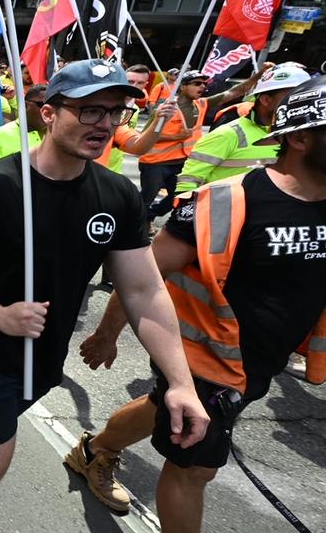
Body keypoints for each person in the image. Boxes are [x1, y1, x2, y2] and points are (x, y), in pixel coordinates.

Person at [0, 59, 209, 533]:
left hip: (45, 354)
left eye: (115, 112)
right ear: (49, 113)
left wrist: (180, 382)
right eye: (89, 111)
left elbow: (144, 288)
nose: (105, 124)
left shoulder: (117, 196)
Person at [69, 75, 326, 532]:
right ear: (302, 137)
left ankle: (94, 451)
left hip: (260, 363)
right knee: (195, 469)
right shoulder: (229, 201)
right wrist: (107, 335)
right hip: (206, 360)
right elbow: (144, 277)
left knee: (160, 406)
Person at [137, 67, 264, 221]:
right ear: (183, 87)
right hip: (155, 163)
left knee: (179, 197)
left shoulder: (201, 104)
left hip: (180, 162)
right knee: (146, 198)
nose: (202, 87)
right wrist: (177, 137)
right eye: (196, 83)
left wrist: (259, 75)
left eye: (204, 84)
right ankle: (135, 226)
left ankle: (150, 216)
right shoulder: (166, 108)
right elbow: (144, 136)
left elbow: (234, 92)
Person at [176, 62, 309, 193]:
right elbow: (188, 183)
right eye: (291, 97)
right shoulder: (228, 133)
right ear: (266, 100)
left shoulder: (297, 137)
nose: (299, 104)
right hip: (161, 162)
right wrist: (185, 207)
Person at [0, 84, 46, 162]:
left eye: (56, 106)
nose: (48, 111)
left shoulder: (60, 137)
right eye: (43, 105)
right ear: (26, 105)